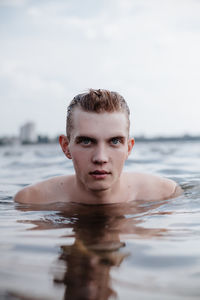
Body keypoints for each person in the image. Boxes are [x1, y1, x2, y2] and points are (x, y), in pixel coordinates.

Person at [14, 89, 181, 205]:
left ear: (129, 148)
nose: (100, 157)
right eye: (86, 141)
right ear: (66, 147)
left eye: (115, 141)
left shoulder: (165, 195)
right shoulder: (31, 201)